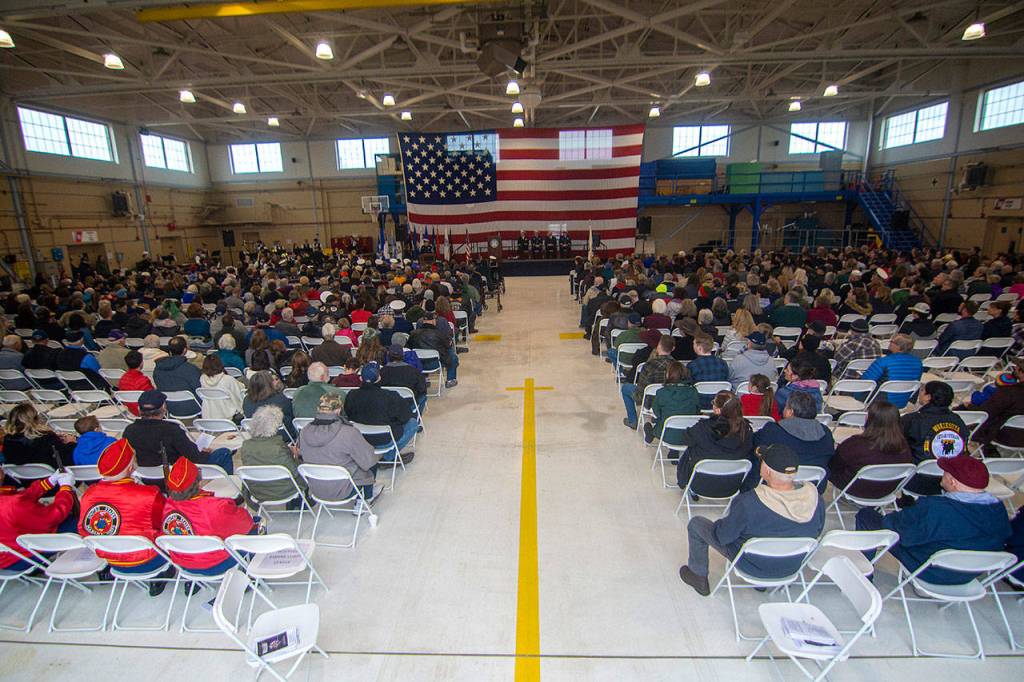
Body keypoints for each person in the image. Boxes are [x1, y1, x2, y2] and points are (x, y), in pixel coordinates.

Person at [678, 443, 825, 596]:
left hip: (751, 564)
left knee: (696, 524)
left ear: (766, 470)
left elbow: (722, 537)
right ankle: (761, 584)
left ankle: (698, 576)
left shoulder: (749, 502)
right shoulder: (816, 499)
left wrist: (722, 523)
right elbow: (817, 531)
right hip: (791, 566)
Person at [856, 455, 1011, 585]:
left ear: (952, 482)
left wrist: (898, 517)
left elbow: (902, 533)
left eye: (945, 472)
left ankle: (863, 576)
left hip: (931, 570)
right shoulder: (998, 508)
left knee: (867, 516)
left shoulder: (937, 508)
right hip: (970, 573)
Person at [79, 439, 172, 595]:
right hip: (148, 561)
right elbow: (165, 522)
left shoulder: (88, 495)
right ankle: (159, 576)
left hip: (112, 560)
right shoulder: (148, 494)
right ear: (130, 468)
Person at [161, 457, 256, 575]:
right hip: (216, 564)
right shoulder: (214, 506)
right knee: (257, 525)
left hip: (183, 565)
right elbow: (245, 523)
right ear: (199, 482)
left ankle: (193, 583)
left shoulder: (167, 506)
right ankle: (250, 574)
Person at [123, 390, 235, 473]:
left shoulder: (129, 431)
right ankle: (230, 495)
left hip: (145, 477)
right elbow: (195, 458)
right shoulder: (172, 430)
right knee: (224, 452)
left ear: (138, 409)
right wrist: (205, 453)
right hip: (175, 477)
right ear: (164, 408)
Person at [299, 393, 381, 502]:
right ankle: (366, 499)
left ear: (318, 409)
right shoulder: (349, 432)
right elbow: (368, 460)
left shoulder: (303, 431)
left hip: (317, 489)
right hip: (345, 490)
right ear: (338, 410)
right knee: (371, 459)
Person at [829, 400, 913, 498]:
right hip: (887, 489)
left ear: (871, 420)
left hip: (855, 488)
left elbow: (833, 464)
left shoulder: (855, 444)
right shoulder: (904, 446)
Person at [0, 468, 77, 571]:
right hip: (22, 558)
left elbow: (21, 498)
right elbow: (56, 515)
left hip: (6, 558)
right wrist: (66, 488)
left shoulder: (10, 501)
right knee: (84, 521)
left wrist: (49, 482)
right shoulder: (12, 505)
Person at [901, 380, 968, 497]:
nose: (920, 393)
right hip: (951, 481)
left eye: (922, 391)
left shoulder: (912, 420)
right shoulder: (958, 420)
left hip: (916, 481)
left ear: (928, 397)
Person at [675, 391, 755, 489]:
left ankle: (682, 481)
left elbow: (684, 439)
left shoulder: (703, 427)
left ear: (717, 410)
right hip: (731, 485)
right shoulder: (746, 430)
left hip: (699, 484)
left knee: (690, 449)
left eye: (713, 403)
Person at [344, 362, 417, 462]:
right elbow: (406, 416)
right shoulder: (391, 396)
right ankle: (388, 457)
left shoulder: (351, 395)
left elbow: (348, 415)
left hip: (359, 438)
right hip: (384, 439)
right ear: (379, 378)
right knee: (413, 423)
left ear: (361, 378)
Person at [755, 391, 835, 482]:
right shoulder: (826, 433)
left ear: (790, 412)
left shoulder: (773, 430)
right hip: (814, 485)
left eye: (785, 407)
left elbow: (754, 444)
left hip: (776, 485)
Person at [238, 405, 306, 506]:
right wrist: (296, 456)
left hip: (258, 492)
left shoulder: (246, 446)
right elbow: (294, 472)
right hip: (283, 491)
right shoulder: (278, 447)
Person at [621, 335, 674, 429]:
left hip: (649, 400)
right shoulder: (676, 366)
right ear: (673, 348)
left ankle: (632, 420)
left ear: (659, 346)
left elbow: (641, 389)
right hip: (669, 400)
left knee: (625, 388)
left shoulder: (649, 365)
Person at [972, 356, 1024, 451]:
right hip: (1020, 436)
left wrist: (970, 407)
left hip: (1004, 435)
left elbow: (986, 412)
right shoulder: (1011, 391)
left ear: (1021, 372)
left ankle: (988, 450)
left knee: (964, 413)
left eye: (1016, 367)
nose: (1014, 368)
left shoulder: (1009, 392)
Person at [2, 403, 76, 467]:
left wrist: (56, 439)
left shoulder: (7, 439)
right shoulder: (46, 436)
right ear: (34, 419)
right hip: (48, 477)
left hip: (21, 478)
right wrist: (71, 443)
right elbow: (63, 455)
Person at [643, 361, 699, 444]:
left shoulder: (662, 392)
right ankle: (673, 451)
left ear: (668, 375)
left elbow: (656, 412)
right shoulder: (694, 391)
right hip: (689, 434)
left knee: (652, 421)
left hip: (666, 434)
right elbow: (697, 411)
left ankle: (651, 433)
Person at [860, 334, 923, 408]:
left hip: (880, 401)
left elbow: (866, 381)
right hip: (902, 400)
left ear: (898, 347)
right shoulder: (918, 363)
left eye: (891, 342)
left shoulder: (884, 362)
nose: (889, 343)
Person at [408, 313, 459, 389]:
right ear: (432, 321)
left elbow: (409, 348)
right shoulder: (439, 334)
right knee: (452, 355)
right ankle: (450, 379)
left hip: (419, 364)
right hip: (435, 363)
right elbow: (448, 345)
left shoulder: (413, 334)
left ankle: (425, 378)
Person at [243, 371, 296, 439]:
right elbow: (292, 415)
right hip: (282, 436)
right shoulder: (281, 399)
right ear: (269, 384)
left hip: (257, 436)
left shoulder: (246, 401)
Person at [380, 343, 428, 416]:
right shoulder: (413, 371)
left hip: (387, 404)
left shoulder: (380, 372)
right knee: (423, 396)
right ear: (403, 355)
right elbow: (422, 389)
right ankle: (415, 418)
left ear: (388, 356)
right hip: (408, 404)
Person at [199, 354, 245, 420]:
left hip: (209, 413)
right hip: (228, 413)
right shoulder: (228, 379)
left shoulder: (202, 379)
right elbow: (239, 393)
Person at [118, 349, 155, 416]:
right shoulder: (143, 380)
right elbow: (152, 397)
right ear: (141, 363)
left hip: (129, 410)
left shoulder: (122, 379)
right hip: (145, 411)